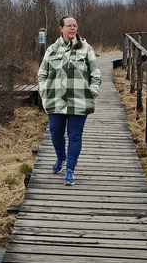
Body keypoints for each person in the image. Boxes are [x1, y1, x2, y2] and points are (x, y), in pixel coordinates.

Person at [36, 15, 102, 186]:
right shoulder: (52, 49)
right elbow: (42, 73)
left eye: (75, 25)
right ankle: (61, 158)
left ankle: (70, 169)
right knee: (55, 132)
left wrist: (92, 93)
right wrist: (44, 93)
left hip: (79, 101)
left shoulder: (86, 49)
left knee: (74, 136)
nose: (73, 28)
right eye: (69, 26)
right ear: (61, 28)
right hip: (55, 100)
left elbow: (96, 75)